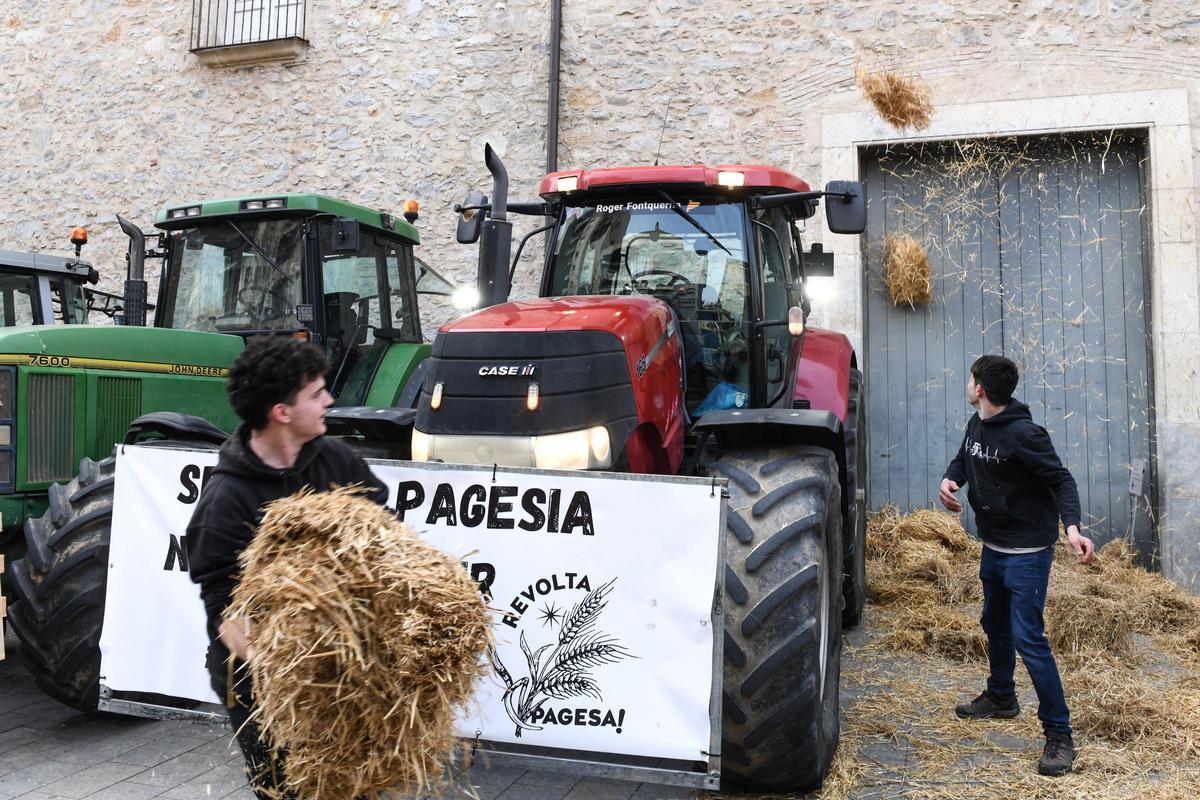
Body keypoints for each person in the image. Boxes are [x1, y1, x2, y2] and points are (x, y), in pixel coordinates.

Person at [186, 336, 387, 799]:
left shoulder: (337, 460)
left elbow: (382, 533)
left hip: (345, 667)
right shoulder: (227, 499)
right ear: (282, 411)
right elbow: (228, 613)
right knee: (289, 791)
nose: (329, 401)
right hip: (265, 687)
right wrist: (294, 673)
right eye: (316, 394)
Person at [939, 355, 1095, 777]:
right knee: (994, 622)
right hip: (994, 544)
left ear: (980, 389)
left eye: (970, 379)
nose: (969, 385)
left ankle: (1059, 735)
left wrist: (1073, 528)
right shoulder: (978, 423)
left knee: (1030, 638)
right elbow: (963, 458)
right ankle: (1002, 696)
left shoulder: (1025, 434)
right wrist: (950, 480)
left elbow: (1061, 479)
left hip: (1027, 551)